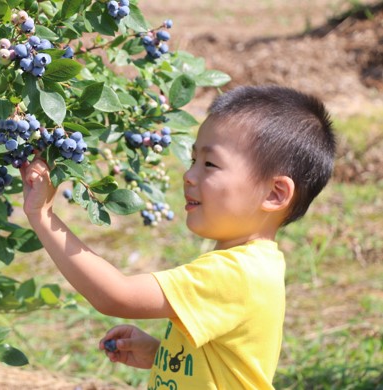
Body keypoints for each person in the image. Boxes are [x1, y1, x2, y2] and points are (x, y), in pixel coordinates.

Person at [19, 85, 336, 389]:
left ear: (275, 193)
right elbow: (222, 363)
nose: (189, 174)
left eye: (210, 164)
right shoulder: (250, 264)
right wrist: (161, 354)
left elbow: (116, 295)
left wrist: (43, 216)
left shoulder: (237, 273)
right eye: (193, 160)